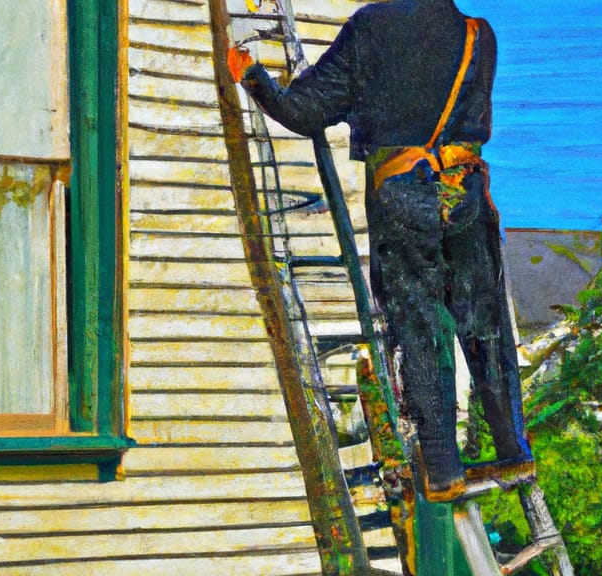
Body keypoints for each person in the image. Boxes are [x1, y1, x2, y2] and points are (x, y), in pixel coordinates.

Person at [227, 0, 533, 502]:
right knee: (484, 323)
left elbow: (305, 112)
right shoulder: (480, 35)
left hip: (403, 193)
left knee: (416, 325)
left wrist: (252, 75)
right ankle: (513, 449)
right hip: (465, 193)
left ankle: (441, 465)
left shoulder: (370, 28)